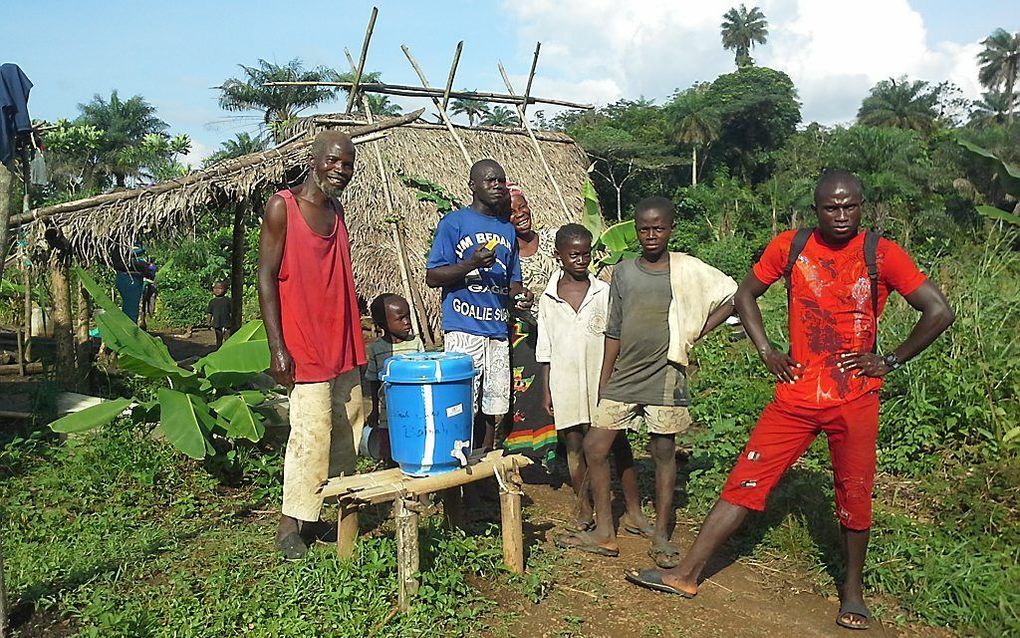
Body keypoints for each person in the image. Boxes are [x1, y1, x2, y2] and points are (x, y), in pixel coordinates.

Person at [624, 171, 955, 632]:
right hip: (797, 394)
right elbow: (745, 294)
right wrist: (767, 350)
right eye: (830, 208)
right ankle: (686, 574)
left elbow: (938, 310)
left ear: (863, 206)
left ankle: (853, 594)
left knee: (854, 493)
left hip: (854, 397)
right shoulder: (791, 246)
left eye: (849, 206)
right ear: (815, 209)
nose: (840, 215)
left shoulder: (881, 253)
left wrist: (891, 360)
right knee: (745, 478)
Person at [565, 197, 736, 563]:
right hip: (626, 372)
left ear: (671, 229)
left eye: (659, 228)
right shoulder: (624, 271)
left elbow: (732, 296)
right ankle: (605, 532)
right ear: (636, 231)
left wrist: (695, 333)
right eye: (644, 229)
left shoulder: (685, 270)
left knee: (662, 452)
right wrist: (605, 378)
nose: (651, 235)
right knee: (596, 447)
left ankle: (661, 535)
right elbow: (614, 327)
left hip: (666, 374)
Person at [257, 130, 367, 560]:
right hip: (304, 343)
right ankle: (290, 524)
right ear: (314, 159)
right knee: (310, 432)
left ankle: (334, 509)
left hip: (342, 339)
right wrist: (277, 347)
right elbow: (265, 276)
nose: (341, 170)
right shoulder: (282, 207)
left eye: (348, 164)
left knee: (347, 427)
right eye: (334, 161)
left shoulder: (337, 211)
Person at [425, 159, 533, 452]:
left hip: (497, 330)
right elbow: (433, 276)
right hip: (463, 328)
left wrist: (521, 296)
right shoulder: (454, 223)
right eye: (490, 181)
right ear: (473, 186)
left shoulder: (507, 230)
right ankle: (459, 464)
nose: (497, 186)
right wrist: (470, 264)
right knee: (462, 403)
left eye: (501, 180)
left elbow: (513, 281)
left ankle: (482, 464)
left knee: (492, 405)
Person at [536, 224, 612, 532]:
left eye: (586, 255)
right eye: (574, 255)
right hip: (564, 382)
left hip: (597, 380)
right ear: (558, 256)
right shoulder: (548, 299)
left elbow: (613, 339)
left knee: (599, 444)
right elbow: (545, 349)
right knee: (574, 445)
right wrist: (546, 391)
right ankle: (583, 507)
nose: (581, 261)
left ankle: (604, 504)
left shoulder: (603, 293)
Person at [501, 184, 559, 461]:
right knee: (529, 392)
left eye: (523, 207)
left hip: (561, 327)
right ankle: (530, 452)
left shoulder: (552, 239)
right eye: (512, 211)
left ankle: (561, 447)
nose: (520, 214)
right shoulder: (505, 251)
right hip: (526, 332)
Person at [365, 293, 424, 430]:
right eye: (400, 318)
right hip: (389, 412)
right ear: (383, 324)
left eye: (408, 316)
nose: (407, 322)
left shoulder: (415, 343)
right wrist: (375, 410)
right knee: (388, 447)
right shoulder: (377, 349)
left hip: (416, 408)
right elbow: (373, 382)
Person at [206, 280, 232, 347]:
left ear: (225, 290)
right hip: (217, 324)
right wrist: (208, 322)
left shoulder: (228, 300)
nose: (217, 290)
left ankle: (228, 351)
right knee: (219, 339)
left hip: (227, 324)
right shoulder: (212, 302)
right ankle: (218, 351)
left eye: (220, 288)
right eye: (215, 288)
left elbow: (232, 312)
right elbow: (209, 313)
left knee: (228, 339)